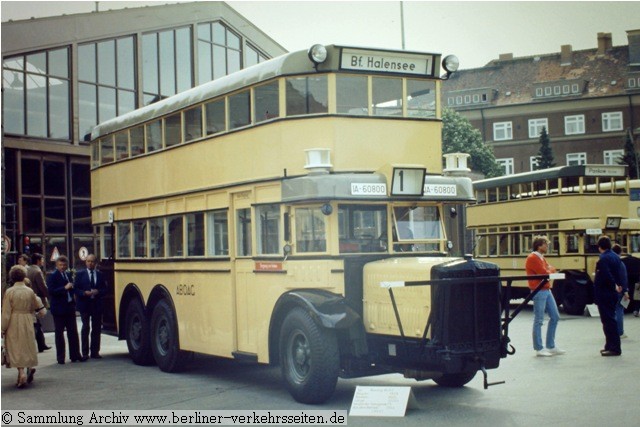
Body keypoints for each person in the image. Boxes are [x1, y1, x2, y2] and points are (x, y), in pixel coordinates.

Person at [1, 265, 47, 388]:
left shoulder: (10, 292)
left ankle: (21, 373)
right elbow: (35, 306)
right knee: (27, 344)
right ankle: (29, 367)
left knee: (16, 347)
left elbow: (6, 312)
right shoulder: (30, 291)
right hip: (27, 319)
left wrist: (2, 328)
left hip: (14, 321)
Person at [525, 235, 565, 357]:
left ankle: (550, 345)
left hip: (545, 289)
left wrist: (549, 269)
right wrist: (550, 269)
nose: (547, 246)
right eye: (545, 244)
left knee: (555, 316)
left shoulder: (541, 257)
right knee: (539, 319)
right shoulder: (533, 258)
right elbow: (544, 272)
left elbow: (549, 268)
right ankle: (539, 348)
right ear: (539, 245)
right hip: (539, 290)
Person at [46, 255, 83, 364]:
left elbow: (72, 288)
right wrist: (64, 288)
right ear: (57, 265)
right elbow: (51, 291)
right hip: (59, 309)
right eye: (60, 265)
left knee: (73, 333)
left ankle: (75, 355)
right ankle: (60, 357)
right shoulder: (52, 276)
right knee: (59, 333)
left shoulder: (68, 274)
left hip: (69, 307)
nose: (62, 267)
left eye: (64, 265)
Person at [594, 236, 624, 356]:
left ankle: (614, 347)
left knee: (608, 320)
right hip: (613, 293)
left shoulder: (603, 259)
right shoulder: (616, 257)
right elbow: (620, 273)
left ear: (599, 247)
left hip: (605, 292)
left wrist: (613, 285)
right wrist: (620, 285)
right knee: (610, 318)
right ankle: (609, 345)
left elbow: (606, 275)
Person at [74, 254, 107, 359]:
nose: (90, 263)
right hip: (85, 304)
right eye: (88, 261)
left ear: (95, 263)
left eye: (92, 261)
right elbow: (75, 289)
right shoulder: (80, 274)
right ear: (85, 262)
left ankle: (95, 352)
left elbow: (105, 289)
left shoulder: (100, 275)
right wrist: (84, 293)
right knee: (85, 328)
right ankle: (84, 353)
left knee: (96, 328)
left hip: (97, 304)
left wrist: (98, 291)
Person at [26, 253, 51, 352]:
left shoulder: (28, 269)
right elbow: (43, 287)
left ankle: (41, 343)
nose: (43, 261)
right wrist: (49, 296)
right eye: (42, 259)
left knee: (36, 323)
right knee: (37, 323)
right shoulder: (37, 271)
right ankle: (41, 344)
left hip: (29, 298)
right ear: (38, 261)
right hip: (37, 299)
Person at [611, 244, 630, 338]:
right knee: (619, 310)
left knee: (612, 311)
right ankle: (620, 332)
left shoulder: (608, 262)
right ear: (620, 252)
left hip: (610, 289)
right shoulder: (620, 263)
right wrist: (626, 291)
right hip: (619, 290)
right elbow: (623, 278)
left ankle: (612, 331)